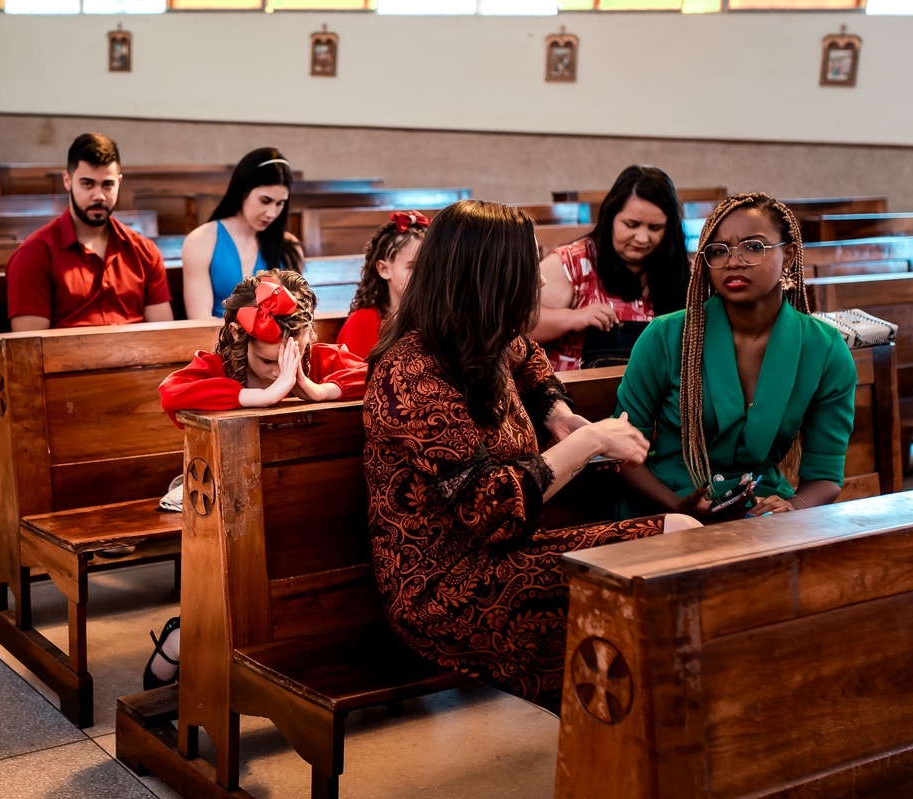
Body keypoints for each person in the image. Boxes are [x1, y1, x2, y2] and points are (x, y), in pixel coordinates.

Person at [363, 200, 699, 714]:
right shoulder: (410, 373)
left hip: (504, 557)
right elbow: (492, 513)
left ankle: (662, 732)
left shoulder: (486, 338)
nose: (539, 286)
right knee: (670, 553)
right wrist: (587, 442)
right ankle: (641, 736)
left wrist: (557, 413)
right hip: (444, 589)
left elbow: (532, 362)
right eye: (527, 271)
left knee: (679, 544)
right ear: (488, 278)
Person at [145, 268, 367, 689]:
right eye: (267, 361)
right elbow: (172, 394)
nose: (278, 371)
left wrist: (321, 392)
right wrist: (258, 397)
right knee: (236, 597)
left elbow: (378, 376)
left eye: (292, 357)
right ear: (236, 338)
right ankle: (184, 635)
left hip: (306, 506)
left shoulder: (316, 363)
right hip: (234, 508)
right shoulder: (220, 368)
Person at [614, 192, 858, 522]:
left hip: (763, 512)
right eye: (719, 250)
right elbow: (622, 452)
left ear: (788, 255)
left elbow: (826, 474)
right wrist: (675, 507)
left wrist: (792, 507)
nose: (733, 260)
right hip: (665, 510)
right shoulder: (666, 336)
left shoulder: (824, 349)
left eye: (753, 246)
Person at [6, 132, 173, 331]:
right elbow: (29, 349)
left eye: (107, 184)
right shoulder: (35, 254)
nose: (99, 196)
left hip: (137, 360)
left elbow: (164, 334)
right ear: (67, 180)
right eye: (87, 184)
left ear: (119, 182)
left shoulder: (144, 251)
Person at [532, 165, 689, 371]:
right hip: (577, 393)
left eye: (655, 228)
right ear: (610, 218)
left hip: (655, 394)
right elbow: (519, 327)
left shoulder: (677, 267)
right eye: (631, 225)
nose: (642, 238)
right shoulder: (572, 262)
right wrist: (574, 317)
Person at [181, 147, 304, 319]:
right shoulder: (201, 241)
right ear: (242, 192)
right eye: (265, 200)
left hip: (276, 343)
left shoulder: (289, 246)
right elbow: (199, 320)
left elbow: (299, 313)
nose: (271, 213)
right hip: (218, 341)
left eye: (280, 203)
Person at [335, 210, 428, 358]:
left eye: (428, 266)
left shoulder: (435, 318)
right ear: (384, 269)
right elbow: (347, 378)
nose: (422, 275)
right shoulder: (362, 323)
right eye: (412, 267)